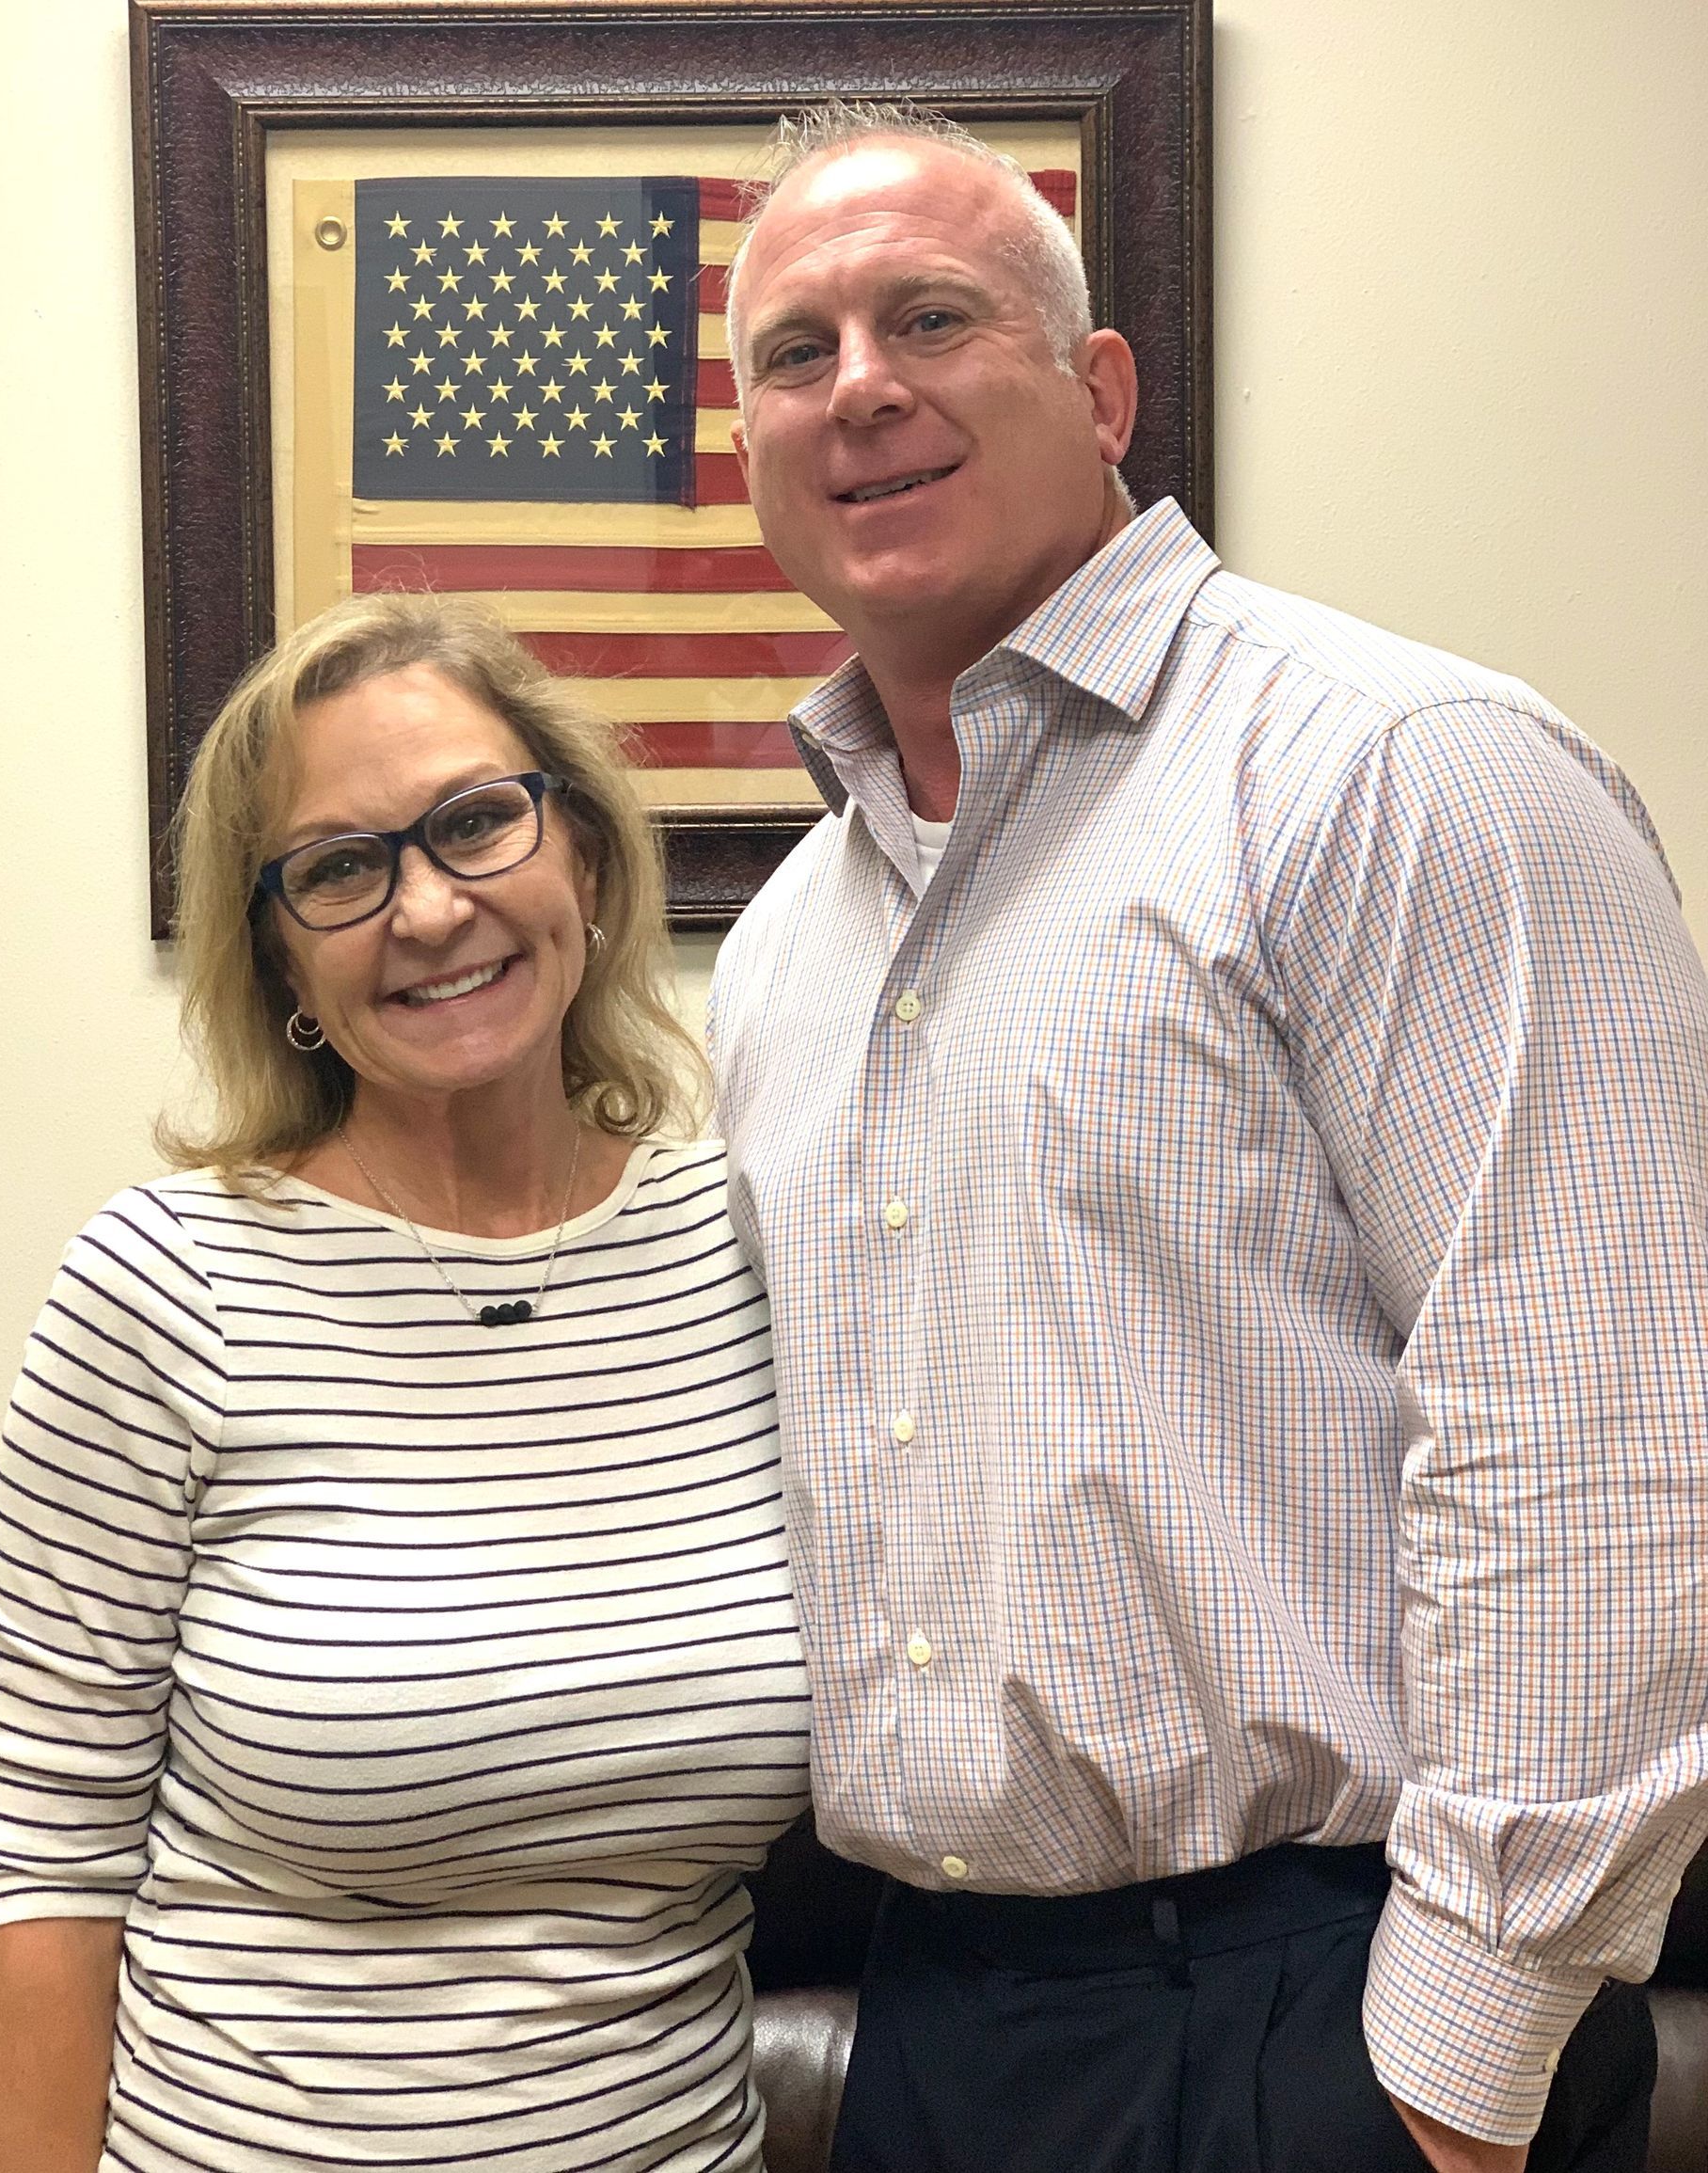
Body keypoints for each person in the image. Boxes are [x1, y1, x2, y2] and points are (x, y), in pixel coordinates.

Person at [707, 101, 1708, 2173]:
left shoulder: (1395, 770)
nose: (861, 385)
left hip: (1324, 2023)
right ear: (754, 457)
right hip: (939, 2017)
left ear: (1100, 392)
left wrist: (1457, 2068)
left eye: (930, 317)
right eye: (794, 353)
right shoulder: (792, 945)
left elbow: (1598, 1426)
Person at [0, 593, 811, 2173]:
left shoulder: (750, 1249)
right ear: (277, 944)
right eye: (342, 867)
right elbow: (43, 1891)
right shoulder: (164, 1288)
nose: (427, 909)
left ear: (588, 859)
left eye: (478, 822)